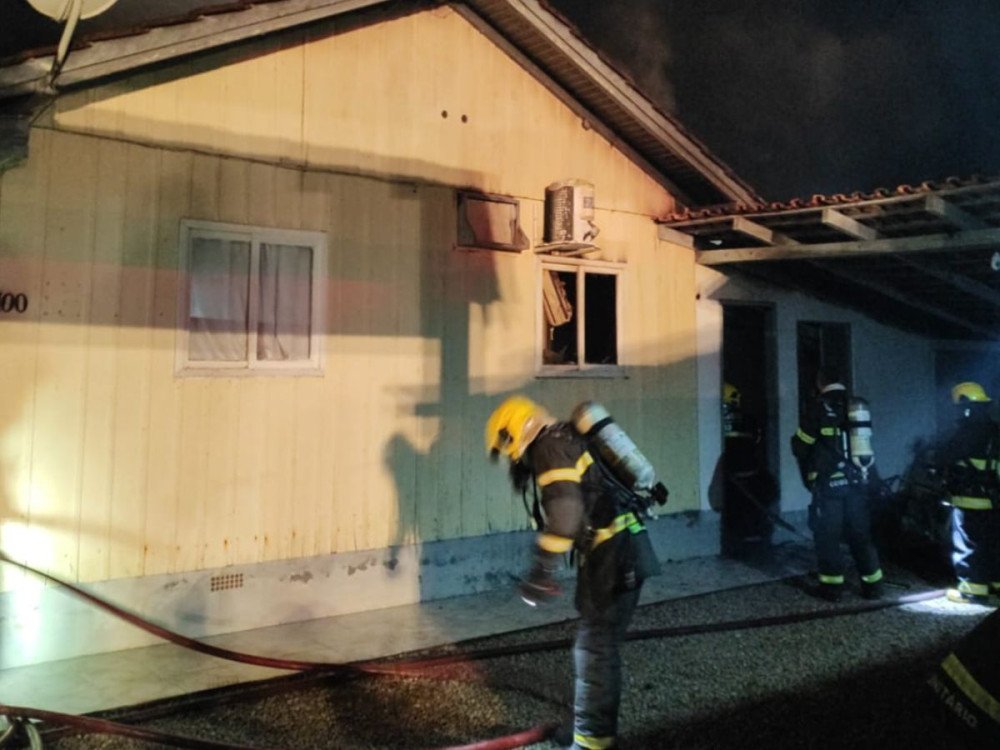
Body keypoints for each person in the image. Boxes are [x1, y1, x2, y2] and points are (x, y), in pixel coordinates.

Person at [485, 395, 662, 750]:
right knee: (597, 645)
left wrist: (538, 574)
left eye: (507, 449)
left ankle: (591, 742)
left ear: (513, 434)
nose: (511, 459)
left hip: (613, 557)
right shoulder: (564, 439)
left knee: (594, 650)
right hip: (617, 552)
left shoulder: (548, 447)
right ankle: (591, 733)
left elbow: (565, 517)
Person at [790, 369, 884, 601]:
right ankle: (874, 587)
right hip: (858, 482)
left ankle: (833, 589)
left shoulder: (818, 407)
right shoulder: (855, 407)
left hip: (830, 487)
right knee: (860, 536)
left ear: (820, 382)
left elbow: (800, 446)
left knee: (828, 537)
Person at [929, 382, 1000, 605]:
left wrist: (933, 457)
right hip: (993, 500)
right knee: (991, 544)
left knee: (967, 545)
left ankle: (971, 591)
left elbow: (945, 457)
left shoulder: (968, 432)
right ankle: (995, 585)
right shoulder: (995, 430)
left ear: (965, 406)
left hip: (969, 499)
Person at [717, 382, 777, 557]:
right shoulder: (747, 419)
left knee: (737, 512)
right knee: (754, 509)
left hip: (732, 476)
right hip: (752, 471)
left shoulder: (719, 419)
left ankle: (739, 542)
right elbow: (756, 440)